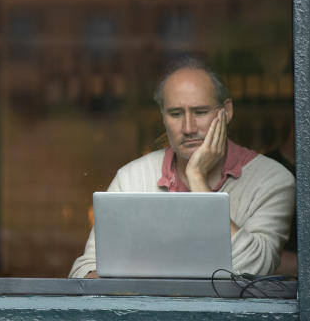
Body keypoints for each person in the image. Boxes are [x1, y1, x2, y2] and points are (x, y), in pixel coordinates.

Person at [68, 56, 295, 278]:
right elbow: (83, 270)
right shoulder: (131, 177)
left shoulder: (273, 180)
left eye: (200, 112)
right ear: (163, 117)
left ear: (226, 112)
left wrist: (197, 178)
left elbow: (253, 269)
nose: (188, 127)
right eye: (176, 114)